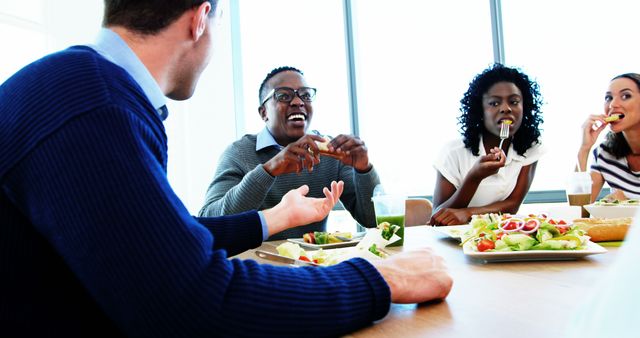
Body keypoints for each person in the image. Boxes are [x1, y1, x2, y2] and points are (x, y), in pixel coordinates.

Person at [0, 1, 452, 337]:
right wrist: (380, 279)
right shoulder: (94, 106)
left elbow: (165, 241)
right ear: (200, 19)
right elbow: (191, 302)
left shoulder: (83, 88)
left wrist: (273, 219)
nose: (297, 103)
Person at [199, 66, 380, 240]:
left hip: (313, 266)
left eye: (306, 95)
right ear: (264, 113)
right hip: (255, 265)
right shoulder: (239, 153)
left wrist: (364, 169)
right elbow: (208, 222)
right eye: (284, 95)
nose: (298, 102)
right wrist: (269, 170)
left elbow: (373, 220)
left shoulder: (332, 155)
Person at [430, 64, 545, 226]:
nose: (506, 108)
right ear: (480, 110)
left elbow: (513, 204)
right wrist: (474, 177)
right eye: (494, 103)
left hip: (497, 238)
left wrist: (469, 213)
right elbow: (437, 217)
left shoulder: (530, 146)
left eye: (514, 101)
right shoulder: (453, 152)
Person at [577, 73, 640, 201]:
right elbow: (579, 211)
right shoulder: (604, 154)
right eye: (608, 98)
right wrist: (584, 150)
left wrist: (625, 202)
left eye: (625, 96)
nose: (612, 105)